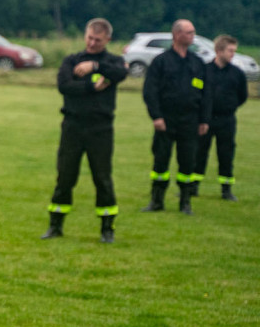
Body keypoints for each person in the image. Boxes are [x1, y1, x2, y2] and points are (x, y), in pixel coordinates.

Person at [42, 18, 128, 243]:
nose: (91, 43)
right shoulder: (72, 61)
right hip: (73, 126)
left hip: (101, 128)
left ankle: (107, 228)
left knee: (102, 177)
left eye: (97, 40)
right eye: (89, 38)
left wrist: (96, 67)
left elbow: (121, 73)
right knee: (65, 176)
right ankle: (55, 224)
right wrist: (90, 86)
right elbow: (64, 86)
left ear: (107, 40)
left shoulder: (113, 62)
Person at [141, 19, 211, 215]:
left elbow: (206, 94)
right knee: (160, 162)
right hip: (166, 120)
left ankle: (185, 202)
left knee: (187, 161)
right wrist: (156, 116)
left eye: (193, 32)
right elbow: (150, 92)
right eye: (188, 32)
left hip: (190, 121)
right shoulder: (161, 62)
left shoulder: (197, 63)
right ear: (176, 34)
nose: (192, 36)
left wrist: (204, 119)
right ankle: (156, 200)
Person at [191, 34, 248, 201]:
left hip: (226, 119)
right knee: (199, 152)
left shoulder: (237, 74)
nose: (232, 54)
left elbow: (242, 96)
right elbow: (196, 92)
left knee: (226, 153)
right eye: (230, 51)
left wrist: (229, 107)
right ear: (218, 50)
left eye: (234, 51)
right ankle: (193, 187)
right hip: (205, 119)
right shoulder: (204, 71)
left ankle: (226, 189)